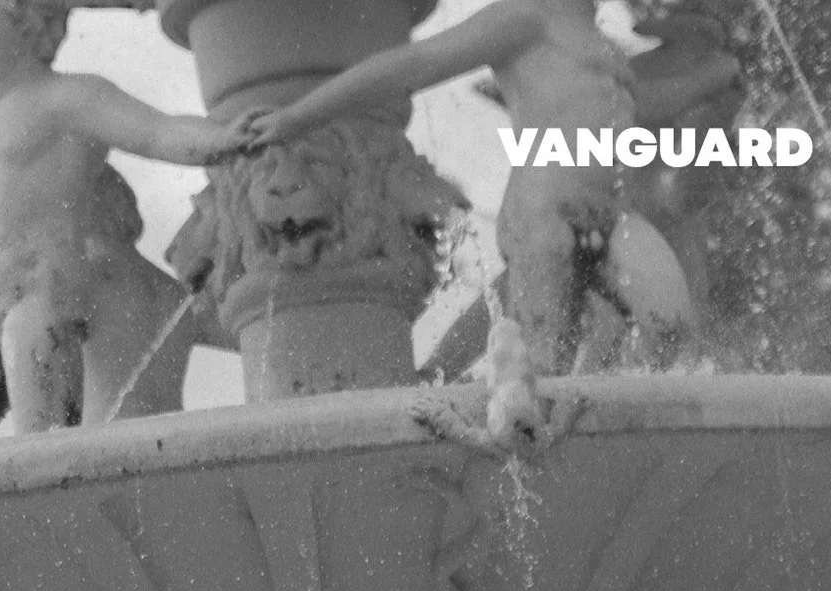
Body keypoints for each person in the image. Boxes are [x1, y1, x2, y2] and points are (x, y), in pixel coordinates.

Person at [240, 0, 738, 373]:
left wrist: (713, 79)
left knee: (672, 331)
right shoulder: (525, 17)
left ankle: (616, 427)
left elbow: (633, 110)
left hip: (610, 216)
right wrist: (298, 116)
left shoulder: (601, 46)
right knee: (543, 364)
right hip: (547, 214)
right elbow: (413, 65)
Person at [0, 0, 243, 443]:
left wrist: (222, 140)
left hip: (48, 299)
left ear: (28, 17)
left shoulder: (68, 99)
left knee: (42, 446)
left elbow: (156, 133)